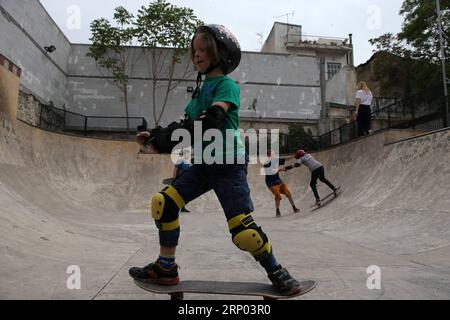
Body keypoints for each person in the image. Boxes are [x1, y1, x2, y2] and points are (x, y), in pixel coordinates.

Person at [129, 25, 301, 296]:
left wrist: (167, 139)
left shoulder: (226, 86)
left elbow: (212, 121)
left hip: (229, 164)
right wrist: (156, 135)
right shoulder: (198, 93)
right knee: (164, 204)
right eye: (194, 50)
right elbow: (187, 125)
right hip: (202, 165)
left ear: (220, 53)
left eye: (202, 49)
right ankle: (166, 267)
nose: (196, 55)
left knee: (243, 232)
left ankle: (277, 270)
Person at [263, 150, 300, 217]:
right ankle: (277, 210)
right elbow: (273, 171)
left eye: (274, 154)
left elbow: (286, 159)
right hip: (271, 183)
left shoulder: (276, 160)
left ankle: (294, 207)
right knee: (278, 196)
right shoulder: (266, 164)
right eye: (272, 154)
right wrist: (283, 169)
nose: (274, 156)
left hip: (278, 181)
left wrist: (294, 156)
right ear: (268, 156)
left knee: (288, 192)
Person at [172, 149, 192, 213]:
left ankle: (183, 208)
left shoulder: (188, 162)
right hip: (179, 180)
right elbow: (175, 169)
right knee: (178, 194)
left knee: (184, 194)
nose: (188, 155)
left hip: (185, 180)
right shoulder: (180, 160)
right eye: (187, 154)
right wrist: (174, 178)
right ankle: (174, 207)